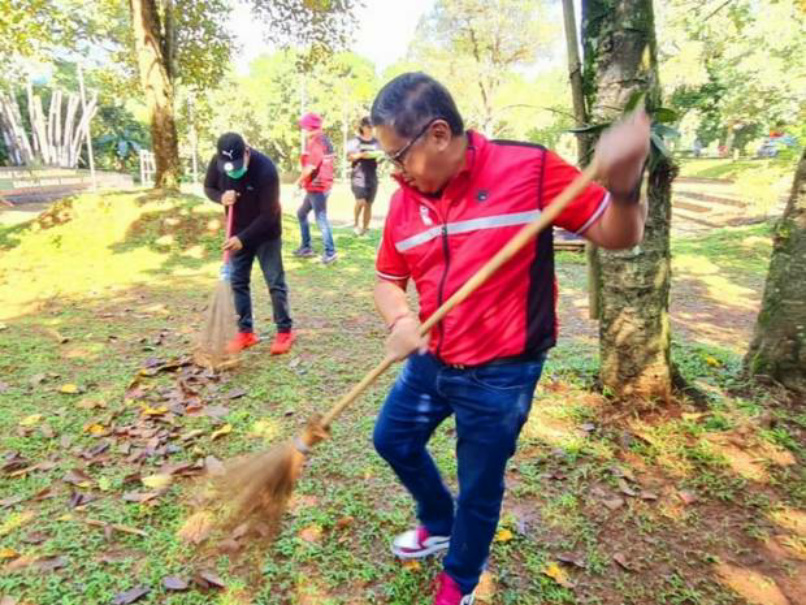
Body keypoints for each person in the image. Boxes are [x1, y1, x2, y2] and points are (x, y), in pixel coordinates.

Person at [370, 73, 650, 605]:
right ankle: (439, 522)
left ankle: (460, 582)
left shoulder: (529, 168)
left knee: (479, 486)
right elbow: (387, 279)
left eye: (398, 156)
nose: (396, 171)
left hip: (502, 374)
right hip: (432, 358)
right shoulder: (406, 200)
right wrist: (400, 320)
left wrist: (625, 185)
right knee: (391, 440)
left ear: (438, 134)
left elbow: (620, 234)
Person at [203, 132, 295, 355]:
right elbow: (209, 187)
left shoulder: (265, 169)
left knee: (275, 282)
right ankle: (246, 332)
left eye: (237, 165)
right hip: (236, 232)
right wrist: (220, 197)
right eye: (228, 167)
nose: (233, 171)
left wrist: (242, 239)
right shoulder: (218, 161)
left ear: (246, 151)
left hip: (266, 233)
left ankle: (284, 331)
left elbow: (269, 214)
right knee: (238, 282)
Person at [294, 112, 338, 264]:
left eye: (304, 127)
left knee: (321, 219)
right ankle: (306, 247)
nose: (303, 130)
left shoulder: (317, 142)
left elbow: (311, 167)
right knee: (301, 213)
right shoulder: (322, 139)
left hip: (318, 187)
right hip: (317, 185)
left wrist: (298, 182)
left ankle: (330, 252)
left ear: (309, 127)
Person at [346, 116, 382, 235]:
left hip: (372, 175)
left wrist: (380, 158)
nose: (371, 129)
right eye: (368, 126)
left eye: (372, 126)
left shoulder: (377, 142)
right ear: (362, 127)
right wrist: (361, 155)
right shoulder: (355, 141)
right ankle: (356, 224)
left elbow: (381, 156)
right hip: (358, 175)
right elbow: (349, 157)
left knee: (368, 204)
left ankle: (365, 229)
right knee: (360, 201)